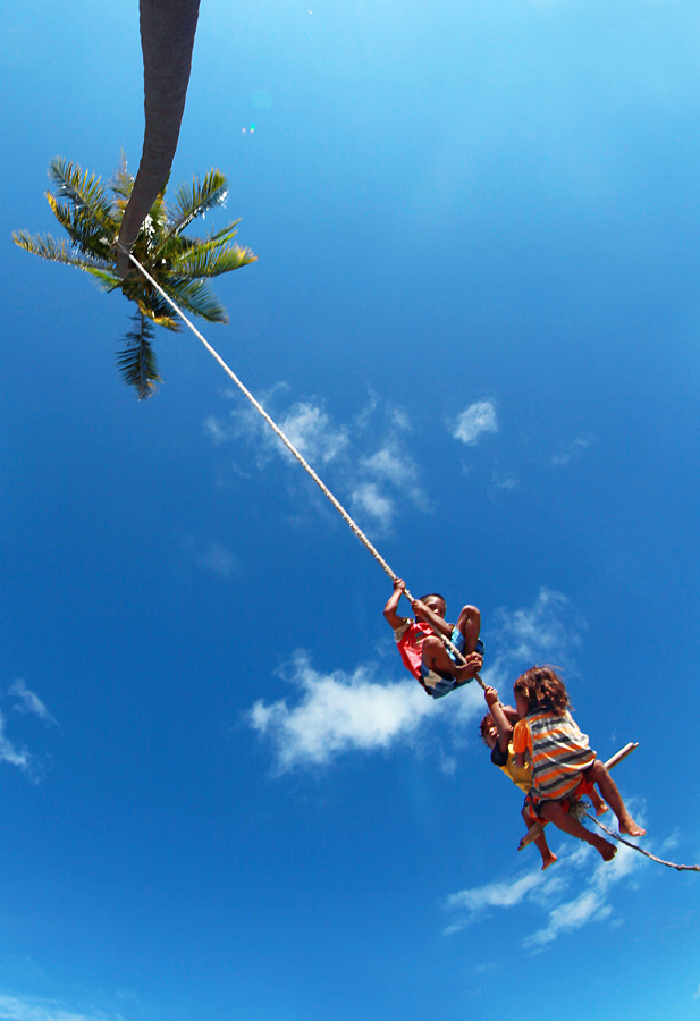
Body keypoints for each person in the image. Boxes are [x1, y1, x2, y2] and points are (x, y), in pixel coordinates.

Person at [513, 666, 645, 862]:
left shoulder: (525, 726)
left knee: (597, 768)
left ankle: (624, 819)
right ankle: (596, 840)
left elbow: (519, 763)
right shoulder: (561, 715)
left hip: (574, 780)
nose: (516, 708)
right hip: (553, 793)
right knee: (555, 805)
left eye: (517, 702)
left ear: (527, 697)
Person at [480, 685, 558, 870]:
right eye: (489, 735)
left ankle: (596, 800)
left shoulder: (520, 734)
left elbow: (519, 720)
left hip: (548, 772)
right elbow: (505, 731)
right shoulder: (499, 756)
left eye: (494, 727)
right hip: (536, 790)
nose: (493, 732)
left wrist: (498, 707)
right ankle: (546, 855)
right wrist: (493, 707)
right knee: (526, 814)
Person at [383, 579, 482, 698]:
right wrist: (398, 591)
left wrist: (426, 611)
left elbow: (447, 630)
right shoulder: (406, 629)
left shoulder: (443, 628)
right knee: (431, 642)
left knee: (470, 611)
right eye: (432, 607)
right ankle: (458, 672)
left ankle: (468, 658)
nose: (436, 612)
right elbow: (389, 613)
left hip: (454, 661)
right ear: (417, 610)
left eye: (441, 612)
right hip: (435, 677)